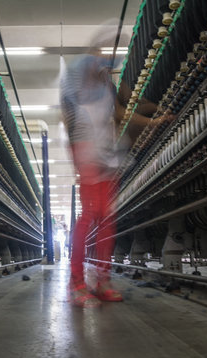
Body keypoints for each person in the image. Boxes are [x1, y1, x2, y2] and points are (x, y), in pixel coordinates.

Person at [60, 28, 174, 308]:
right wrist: (76, 154)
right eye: (111, 51)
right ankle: (75, 284)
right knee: (89, 216)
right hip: (86, 148)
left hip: (109, 153)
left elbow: (122, 114)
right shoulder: (80, 69)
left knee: (107, 219)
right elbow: (67, 111)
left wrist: (154, 122)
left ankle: (103, 280)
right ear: (99, 49)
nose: (114, 58)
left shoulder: (109, 85)